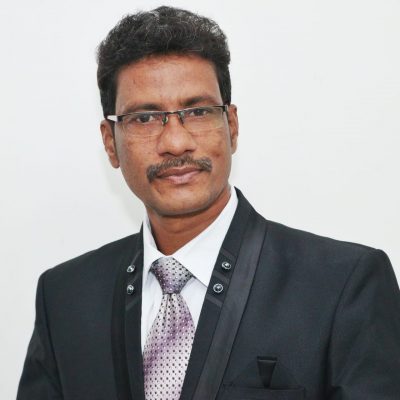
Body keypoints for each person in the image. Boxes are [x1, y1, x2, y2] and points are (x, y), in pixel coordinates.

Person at [17, 6, 400, 400]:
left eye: (198, 112)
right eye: (145, 118)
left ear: (231, 126)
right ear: (109, 143)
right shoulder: (64, 298)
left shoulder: (342, 286)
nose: (175, 142)